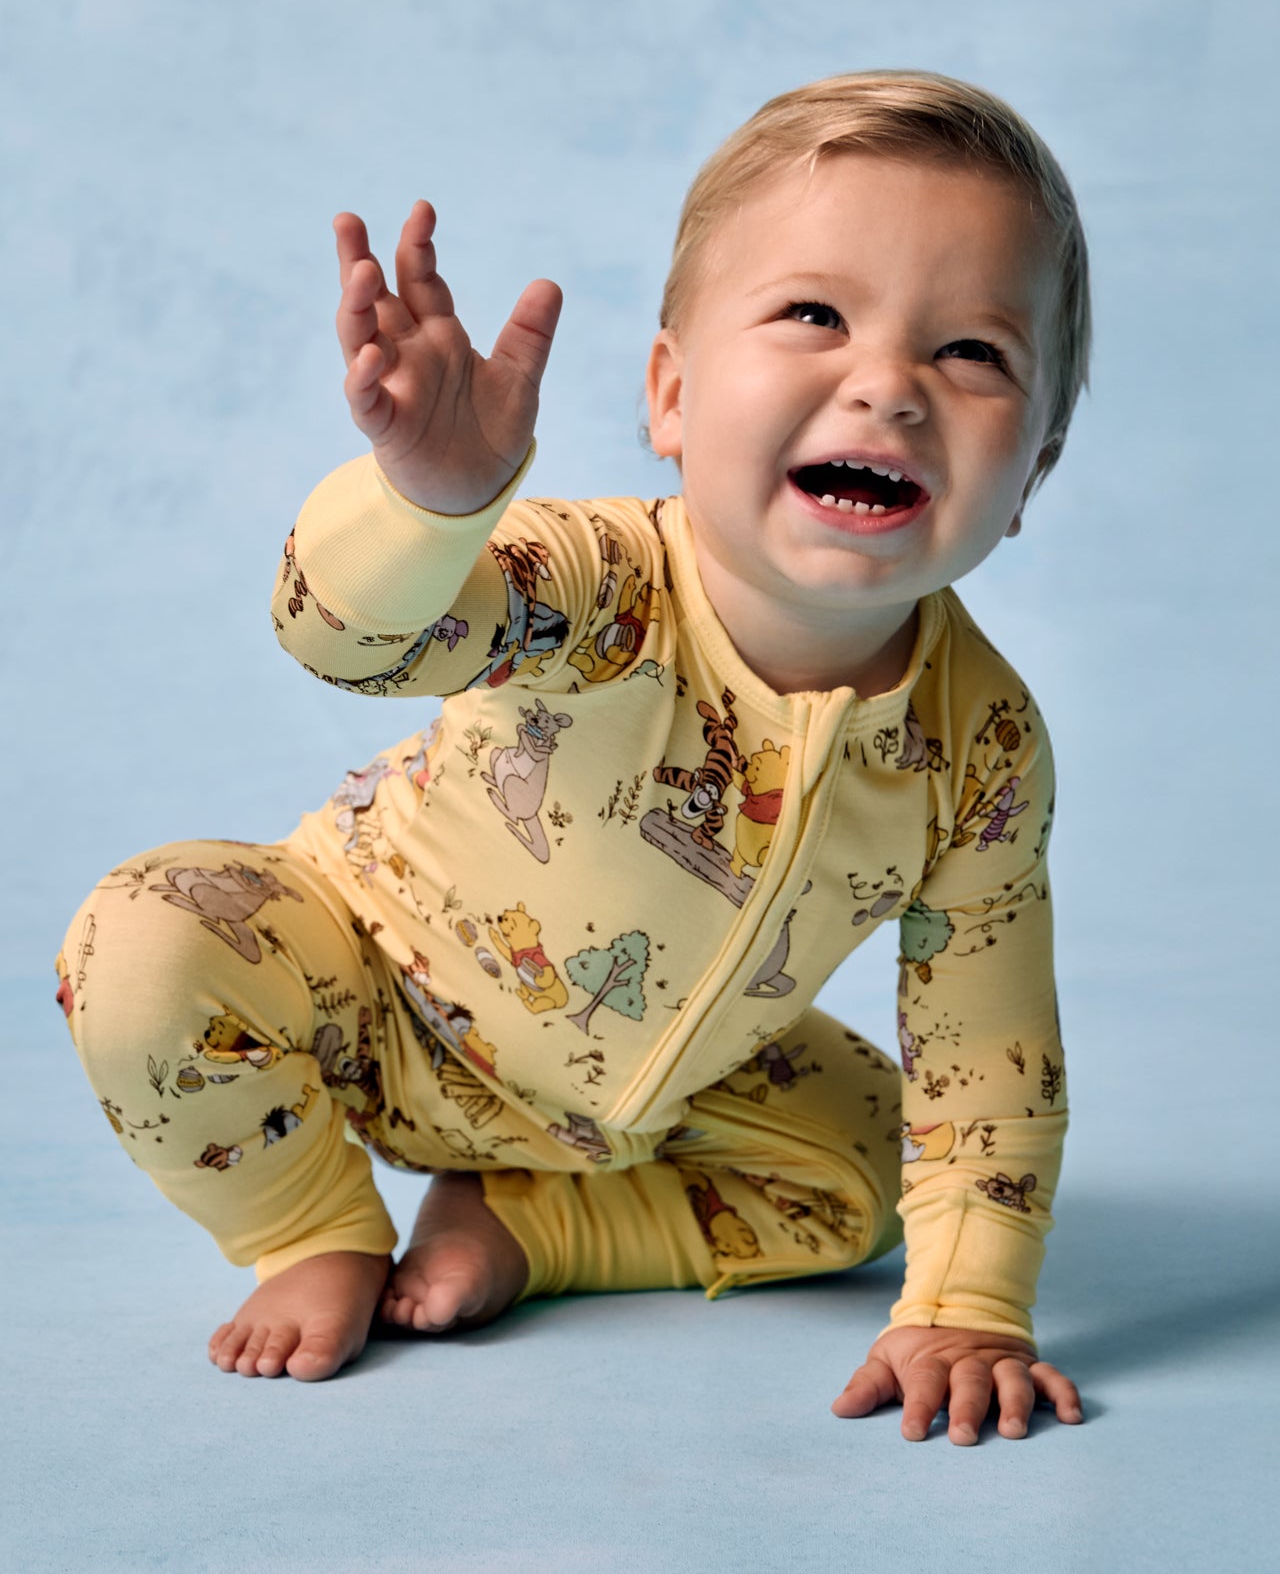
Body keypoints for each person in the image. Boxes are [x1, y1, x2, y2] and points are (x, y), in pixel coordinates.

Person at [56, 70, 1088, 1444]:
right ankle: (311, 1223)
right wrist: (432, 506)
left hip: (684, 1093)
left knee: (867, 1169)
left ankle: (539, 1231)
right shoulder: (598, 584)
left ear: (1036, 473)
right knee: (142, 947)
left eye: (974, 353)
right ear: (670, 394)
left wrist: (970, 1304)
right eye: (815, 316)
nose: (889, 386)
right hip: (375, 999)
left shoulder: (984, 747)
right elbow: (343, 639)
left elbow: (990, 1051)